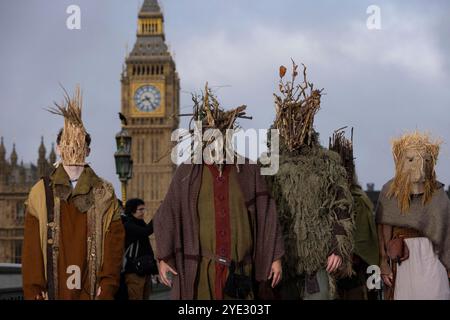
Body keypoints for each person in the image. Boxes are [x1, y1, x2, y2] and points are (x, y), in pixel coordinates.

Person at [154, 84, 284, 300]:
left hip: (240, 276)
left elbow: (267, 215)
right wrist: (163, 257)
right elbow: (166, 214)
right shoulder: (187, 173)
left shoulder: (248, 170)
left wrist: (275, 257)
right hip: (201, 275)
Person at [22, 86, 125, 300]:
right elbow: (31, 248)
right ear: (58, 148)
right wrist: (33, 289)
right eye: (67, 143)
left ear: (88, 151)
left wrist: (107, 286)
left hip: (92, 290)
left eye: (80, 144)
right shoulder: (41, 193)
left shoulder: (104, 193)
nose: (73, 148)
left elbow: (114, 246)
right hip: (53, 290)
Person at [267, 62, 355, 300]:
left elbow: (342, 207)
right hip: (282, 263)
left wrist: (337, 248)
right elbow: (263, 214)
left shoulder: (326, 163)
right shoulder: (270, 165)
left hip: (318, 261)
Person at [376, 131, 450, 300]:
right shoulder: (390, 192)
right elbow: (383, 227)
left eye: (425, 160)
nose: (420, 166)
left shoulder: (438, 194)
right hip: (404, 258)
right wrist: (384, 263)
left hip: (433, 258)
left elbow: (447, 232)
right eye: (411, 160)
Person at [329, 129, 379, 300]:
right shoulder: (325, 199)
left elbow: (365, 243)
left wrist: (349, 256)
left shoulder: (359, 200)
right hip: (329, 271)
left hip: (355, 274)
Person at [121, 198, 157, 300]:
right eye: (140, 210)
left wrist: (154, 269)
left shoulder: (140, 223)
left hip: (145, 269)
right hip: (134, 272)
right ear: (132, 210)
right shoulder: (128, 225)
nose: (143, 212)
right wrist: (159, 215)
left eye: (143, 209)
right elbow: (146, 231)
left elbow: (147, 247)